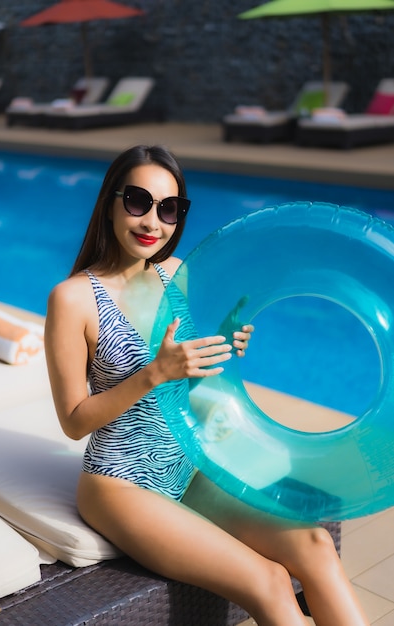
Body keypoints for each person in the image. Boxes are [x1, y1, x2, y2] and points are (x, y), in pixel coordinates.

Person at [45, 144, 369, 626]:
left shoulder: (177, 274)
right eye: (137, 202)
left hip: (190, 464)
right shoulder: (73, 299)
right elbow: (73, 422)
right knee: (270, 583)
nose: (152, 221)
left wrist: (222, 348)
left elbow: (190, 379)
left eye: (169, 208)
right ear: (110, 202)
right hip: (121, 483)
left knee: (315, 543)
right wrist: (153, 373)